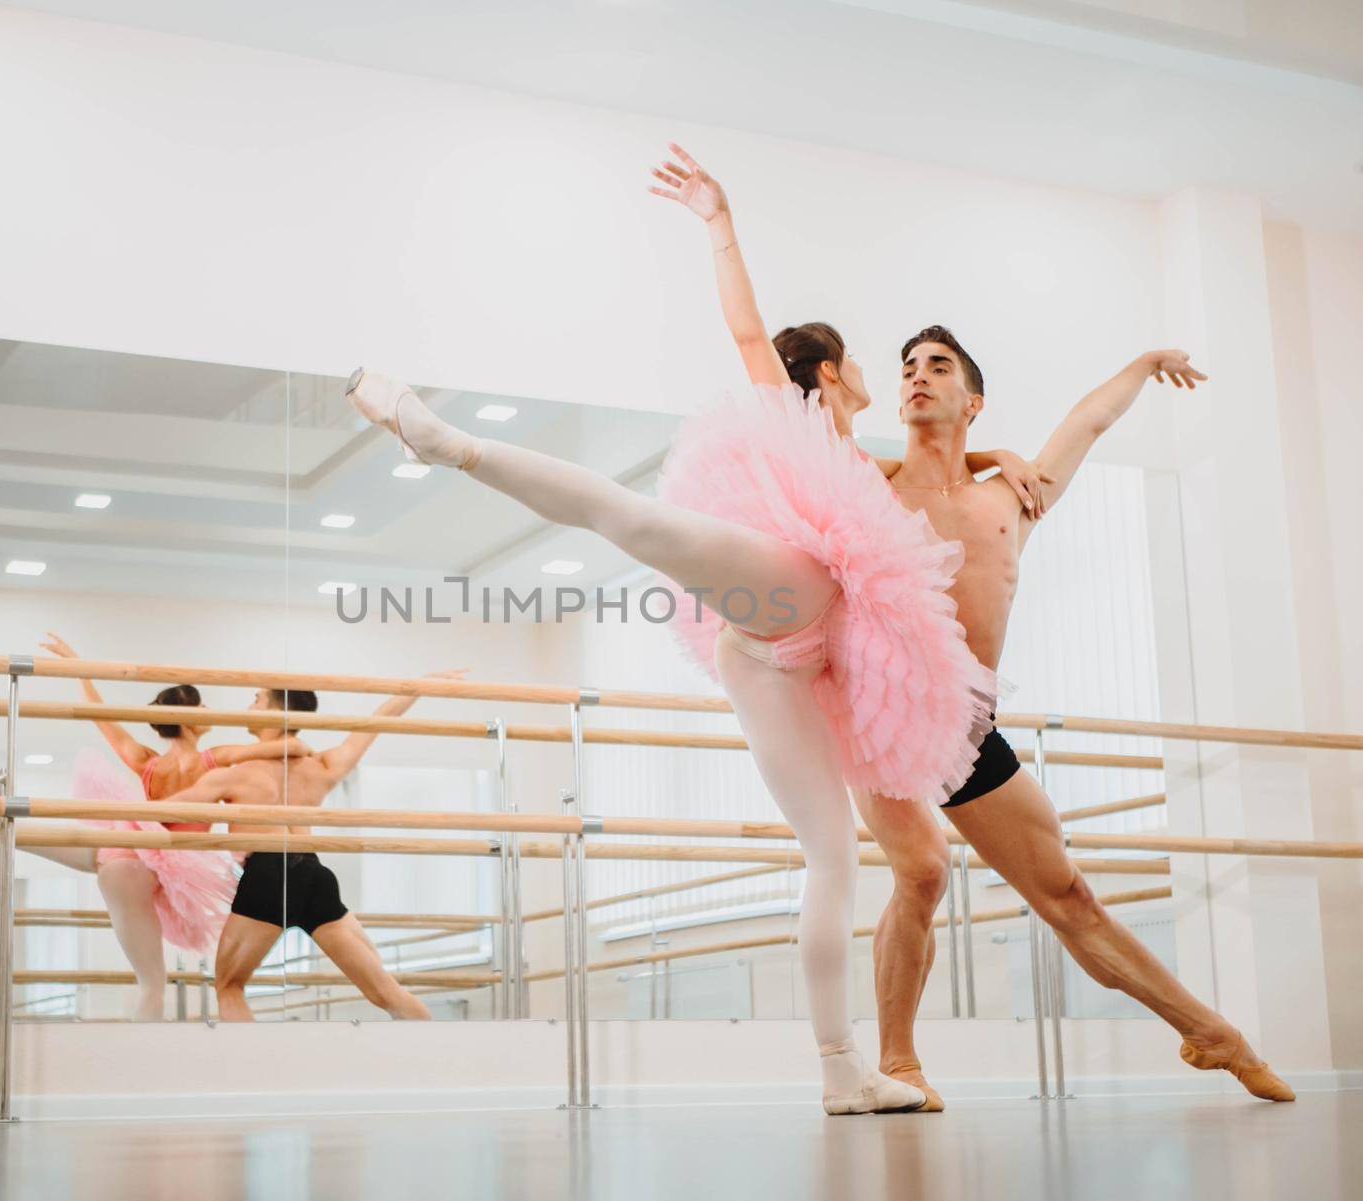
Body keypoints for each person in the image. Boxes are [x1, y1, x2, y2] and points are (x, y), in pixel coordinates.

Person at [340, 184, 1050, 1107]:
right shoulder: (808, 423)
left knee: (833, 858)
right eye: (871, 364)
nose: (896, 376)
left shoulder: (871, 459)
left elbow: (926, 465)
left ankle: (844, 1073)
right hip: (793, 597)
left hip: (766, 661)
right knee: (630, 518)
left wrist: (997, 458)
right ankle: (447, 443)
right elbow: (750, 331)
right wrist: (720, 225)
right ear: (832, 373)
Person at [649, 144, 1290, 1106]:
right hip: (882, 712)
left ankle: (1212, 1035)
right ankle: (897, 1063)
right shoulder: (869, 483)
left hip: (970, 719)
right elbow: (756, 358)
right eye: (905, 364)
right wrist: (719, 226)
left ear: (972, 396)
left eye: (936, 366)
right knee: (919, 870)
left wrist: (1143, 362)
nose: (914, 375)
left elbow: (1086, 423)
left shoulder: (1013, 495)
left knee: (1067, 895)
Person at [34, 633, 324, 1020]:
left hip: (117, 849)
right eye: (202, 706)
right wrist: (294, 744)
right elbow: (288, 748)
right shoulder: (214, 760)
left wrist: (78, 668)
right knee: (152, 983)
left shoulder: (146, 760)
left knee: (29, 834)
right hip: (141, 866)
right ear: (190, 719)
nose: (209, 710)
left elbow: (103, 720)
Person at [155, 673, 467, 1024]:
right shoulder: (323, 766)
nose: (249, 706)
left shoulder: (235, 774)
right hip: (313, 875)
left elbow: (166, 812)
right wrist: (420, 685)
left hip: (267, 875)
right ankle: (437, 1061)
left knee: (229, 985)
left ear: (277, 710)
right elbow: (378, 721)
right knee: (386, 992)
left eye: (257, 699)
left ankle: (249, 1071)